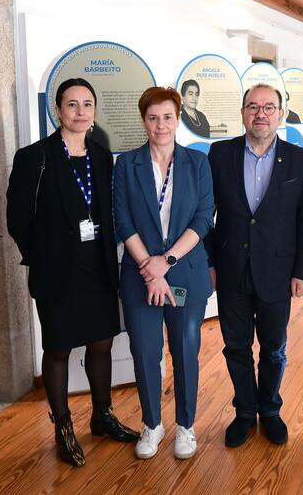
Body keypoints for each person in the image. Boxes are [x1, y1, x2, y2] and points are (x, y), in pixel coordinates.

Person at [6, 78, 138, 467]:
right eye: (72, 104)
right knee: (60, 347)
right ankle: (63, 427)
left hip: (96, 265)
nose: (80, 112)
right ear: (58, 110)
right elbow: (17, 219)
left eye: (87, 104)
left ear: (94, 110)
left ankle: (102, 415)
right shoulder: (35, 157)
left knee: (101, 343)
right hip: (57, 271)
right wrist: (42, 254)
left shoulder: (102, 155)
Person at [207, 83, 303, 448]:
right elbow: (205, 215)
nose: (261, 114)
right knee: (235, 347)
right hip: (231, 269)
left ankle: (269, 410)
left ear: (281, 114)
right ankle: (244, 411)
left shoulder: (299, 160)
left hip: (277, 271)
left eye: (269, 107)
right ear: (242, 113)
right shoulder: (218, 154)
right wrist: (209, 262)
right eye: (253, 107)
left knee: (274, 349)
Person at [113, 86, 214, 460]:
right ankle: (152, 424)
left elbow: (203, 219)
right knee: (145, 351)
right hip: (140, 277)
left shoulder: (197, 163)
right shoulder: (126, 164)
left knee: (186, 350)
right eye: (153, 117)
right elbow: (122, 220)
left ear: (178, 118)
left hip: (185, 273)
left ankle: (186, 426)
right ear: (144, 120)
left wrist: (166, 262)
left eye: (168, 116)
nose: (161, 124)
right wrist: (150, 270)